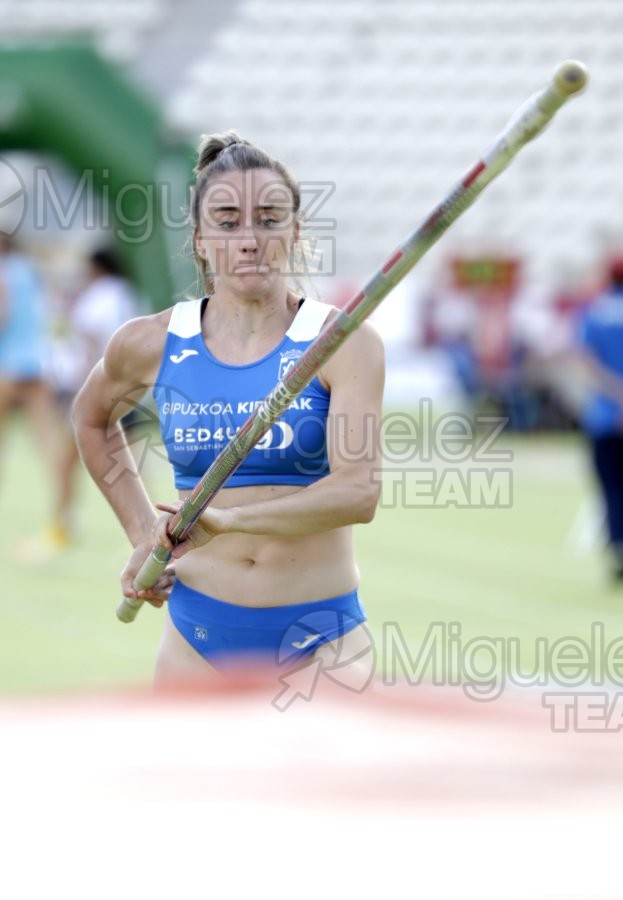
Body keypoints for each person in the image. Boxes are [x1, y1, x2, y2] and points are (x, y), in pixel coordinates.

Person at [72, 132, 385, 685]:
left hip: (322, 641)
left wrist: (229, 522)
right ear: (199, 237)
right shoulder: (152, 341)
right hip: (197, 637)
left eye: (268, 219)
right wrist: (144, 532)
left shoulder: (342, 342)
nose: (249, 239)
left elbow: (358, 493)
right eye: (227, 220)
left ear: (295, 231)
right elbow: (92, 419)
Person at [47, 248, 141, 545]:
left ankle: (62, 524)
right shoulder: (125, 293)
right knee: (133, 466)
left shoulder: (98, 296)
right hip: (131, 388)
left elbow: (89, 347)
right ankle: (149, 532)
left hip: (98, 391)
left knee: (69, 460)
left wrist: (79, 392)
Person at [0, 234, 62, 538]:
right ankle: (61, 506)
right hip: (35, 361)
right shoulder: (28, 269)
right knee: (46, 439)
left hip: (7, 363)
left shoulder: (4, 271)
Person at [577, 256, 623, 581]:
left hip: (605, 416)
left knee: (610, 488)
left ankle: (617, 548)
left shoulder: (594, 312)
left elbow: (587, 364)